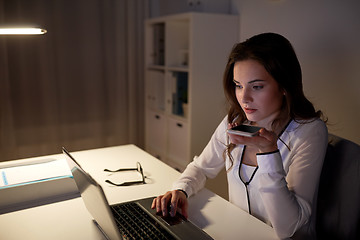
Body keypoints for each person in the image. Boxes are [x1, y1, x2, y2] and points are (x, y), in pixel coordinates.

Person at [151, 32, 328, 239]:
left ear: (284, 86)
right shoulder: (235, 121)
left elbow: (288, 228)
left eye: (257, 86)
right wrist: (181, 190)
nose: (244, 98)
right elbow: (201, 167)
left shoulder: (309, 132)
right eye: (238, 85)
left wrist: (269, 153)